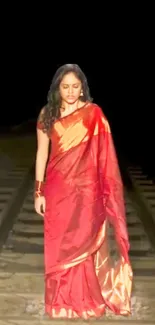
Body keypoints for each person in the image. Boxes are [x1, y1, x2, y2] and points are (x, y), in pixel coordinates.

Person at [34, 63, 133, 320]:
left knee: (84, 242)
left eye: (75, 87)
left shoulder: (94, 114)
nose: (70, 91)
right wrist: (38, 191)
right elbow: (42, 153)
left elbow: (104, 154)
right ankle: (59, 302)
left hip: (86, 191)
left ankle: (85, 300)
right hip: (57, 190)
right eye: (65, 87)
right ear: (57, 88)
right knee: (59, 246)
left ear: (82, 89)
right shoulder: (48, 115)